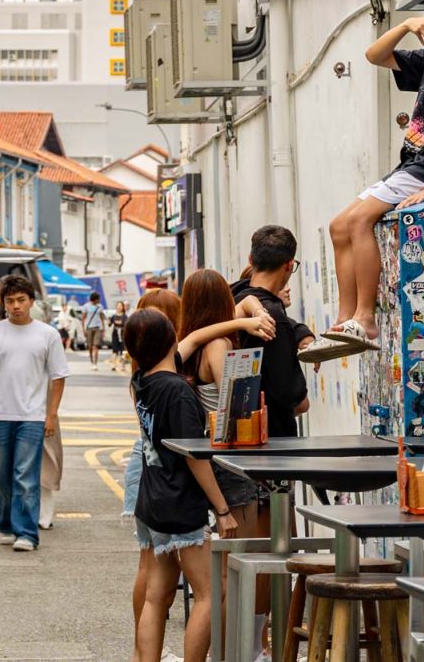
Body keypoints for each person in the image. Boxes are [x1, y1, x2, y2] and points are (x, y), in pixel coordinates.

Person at [300, 10, 424, 362]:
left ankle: (365, 317)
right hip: (413, 166)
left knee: (359, 222)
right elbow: (374, 55)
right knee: (339, 225)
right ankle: (345, 321)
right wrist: (406, 25)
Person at [123, 289, 275, 662]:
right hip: (179, 503)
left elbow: (194, 338)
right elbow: (196, 458)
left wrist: (242, 318)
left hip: (151, 499)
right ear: (166, 342)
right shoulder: (177, 392)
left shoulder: (143, 380)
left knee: (157, 596)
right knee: (211, 592)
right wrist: (222, 509)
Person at [180, 268, 281, 659]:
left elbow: (248, 300)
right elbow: (233, 404)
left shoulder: (189, 344)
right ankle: (235, 651)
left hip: (210, 463)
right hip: (231, 463)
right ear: (222, 303)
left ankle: (237, 649)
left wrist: (252, 309)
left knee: (231, 568)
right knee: (239, 568)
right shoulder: (219, 346)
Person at [0, 275, 69, 552]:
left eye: (21, 300)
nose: (16, 306)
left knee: (25, 474)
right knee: (2, 475)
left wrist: (52, 414)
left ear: (31, 301)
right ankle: (6, 524)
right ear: (3, 304)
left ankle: (27, 533)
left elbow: (59, 377)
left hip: (32, 416)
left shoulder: (47, 335)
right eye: (10, 301)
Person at [234, 226, 310, 439]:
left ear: (250, 259)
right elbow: (293, 397)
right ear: (289, 265)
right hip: (271, 442)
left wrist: (299, 330)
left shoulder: (233, 298)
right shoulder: (273, 318)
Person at [81, 291, 105, 371]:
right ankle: (91, 361)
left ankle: (95, 363)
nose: (99, 300)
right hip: (89, 328)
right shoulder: (86, 306)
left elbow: (102, 317)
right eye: (98, 299)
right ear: (94, 299)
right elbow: (83, 318)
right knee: (90, 346)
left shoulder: (100, 306)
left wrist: (103, 328)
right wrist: (83, 329)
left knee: (96, 346)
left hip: (97, 328)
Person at [109, 301, 128, 372]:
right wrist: (109, 321)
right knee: (114, 350)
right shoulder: (113, 316)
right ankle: (113, 365)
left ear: (123, 307)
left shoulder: (125, 316)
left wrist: (118, 323)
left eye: (120, 306)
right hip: (115, 334)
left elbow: (125, 324)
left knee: (124, 351)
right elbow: (110, 323)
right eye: (118, 306)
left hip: (123, 334)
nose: (119, 307)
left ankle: (123, 366)